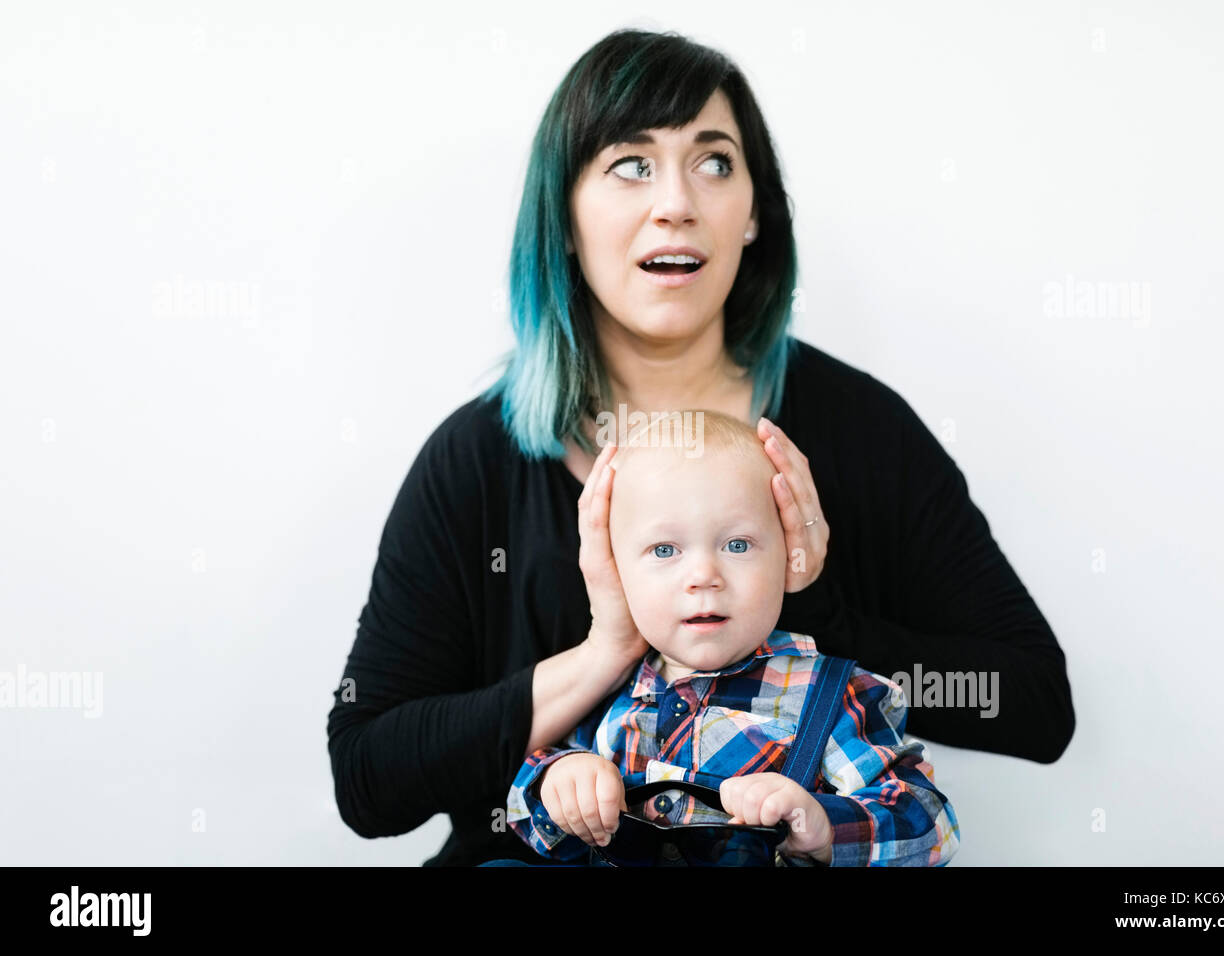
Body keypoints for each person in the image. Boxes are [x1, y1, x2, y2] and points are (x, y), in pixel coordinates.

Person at [326, 28, 1075, 868]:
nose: (676, 201)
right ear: (565, 219)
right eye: (631, 164)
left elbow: (1035, 706)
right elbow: (367, 778)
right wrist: (604, 654)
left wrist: (812, 608)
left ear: (754, 213)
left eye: (714, 161)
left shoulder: (859, 429)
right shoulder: (475, 460)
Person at [500, 410, 961, 866]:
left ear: (789, 555)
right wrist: (562, 781)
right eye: (664, 550)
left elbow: (932, 825)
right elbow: (526, 802)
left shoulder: (836, 696)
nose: (704, 575)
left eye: (737, 545)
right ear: (615, 571)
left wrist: (821, 824)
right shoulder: (615, 693)